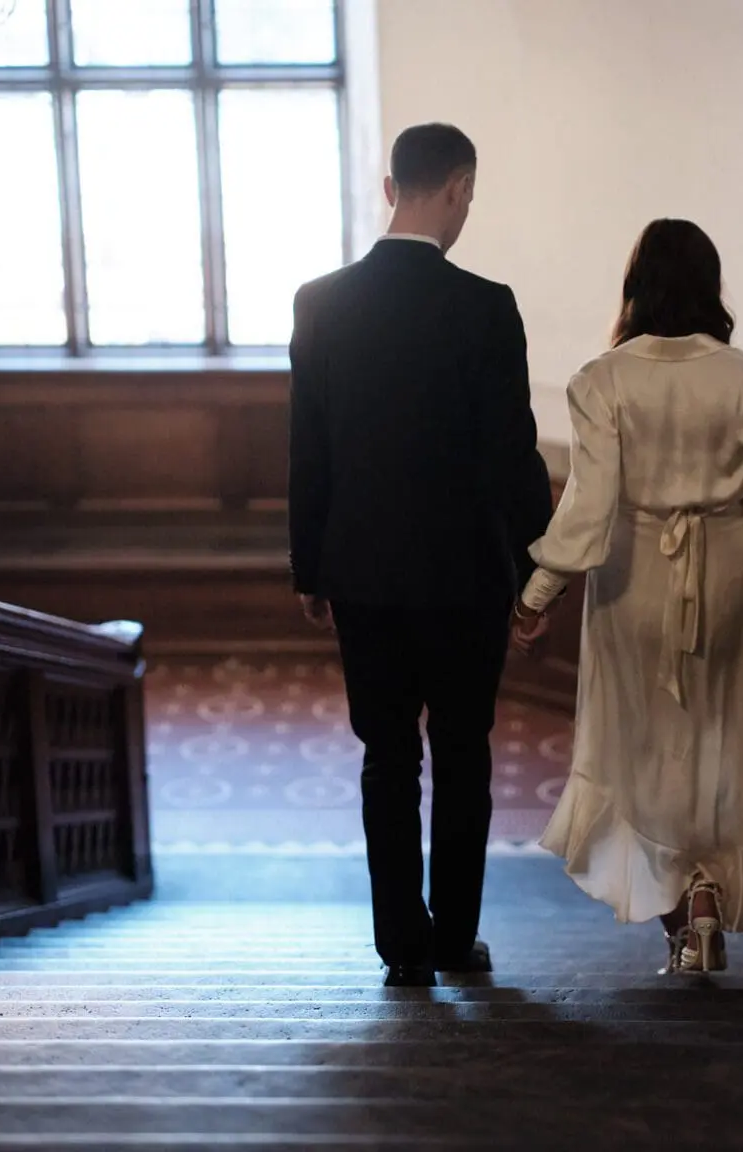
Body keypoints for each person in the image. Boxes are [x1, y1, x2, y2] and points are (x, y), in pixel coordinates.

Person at [511, 219, 743, 974]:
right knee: (719, 738)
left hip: (633, 578)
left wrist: (537, 594)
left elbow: (588, 509)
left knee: (643, 745)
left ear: (637, 286)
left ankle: (682, 917)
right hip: (727, 577)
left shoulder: (603, 380)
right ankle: (703, 896)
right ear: (711, 287)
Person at [288, 124, 552, 988]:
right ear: (459, 187)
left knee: (386, 754)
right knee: (465, 752)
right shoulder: (485, 306)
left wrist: (309, 567)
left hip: (361, 571)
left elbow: (309, 449)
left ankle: (401, 943)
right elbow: (514, 455)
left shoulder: (320, 301)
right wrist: (536, 570)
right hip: (468, 578)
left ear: (388, 186)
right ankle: (453, 938)